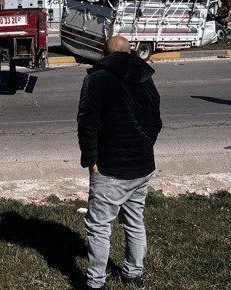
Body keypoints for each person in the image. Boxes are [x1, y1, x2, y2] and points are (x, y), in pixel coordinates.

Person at [77, 35, 162, 290]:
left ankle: (95, 282)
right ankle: (133, 273)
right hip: (142, 165)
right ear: (131, 52)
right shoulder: (146, 79)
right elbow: (155, 122)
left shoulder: (96, 80)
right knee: (135, 220)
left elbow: (87, 124)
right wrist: (146, 146)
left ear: (104, 53)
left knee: (99, 226)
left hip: (110, 167)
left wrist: (91, 159)